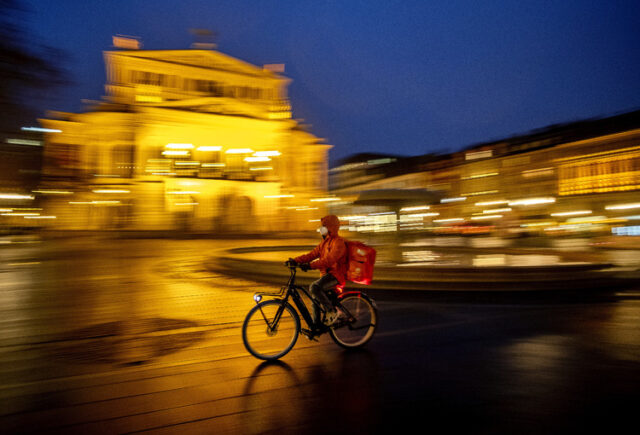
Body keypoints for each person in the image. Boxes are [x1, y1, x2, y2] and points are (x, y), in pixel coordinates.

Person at [290, 214, 348, 326]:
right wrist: (295, 261)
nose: (321, 229)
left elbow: (328, 261)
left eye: (324, 227)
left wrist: (310, 266)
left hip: (336, 276)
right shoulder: (324, 243)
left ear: (331, 228)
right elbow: (312, 254)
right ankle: (315, 326)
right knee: (315, 299)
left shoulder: (339, 243)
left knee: (314, 287)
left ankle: (332, 311)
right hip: (326, 275)